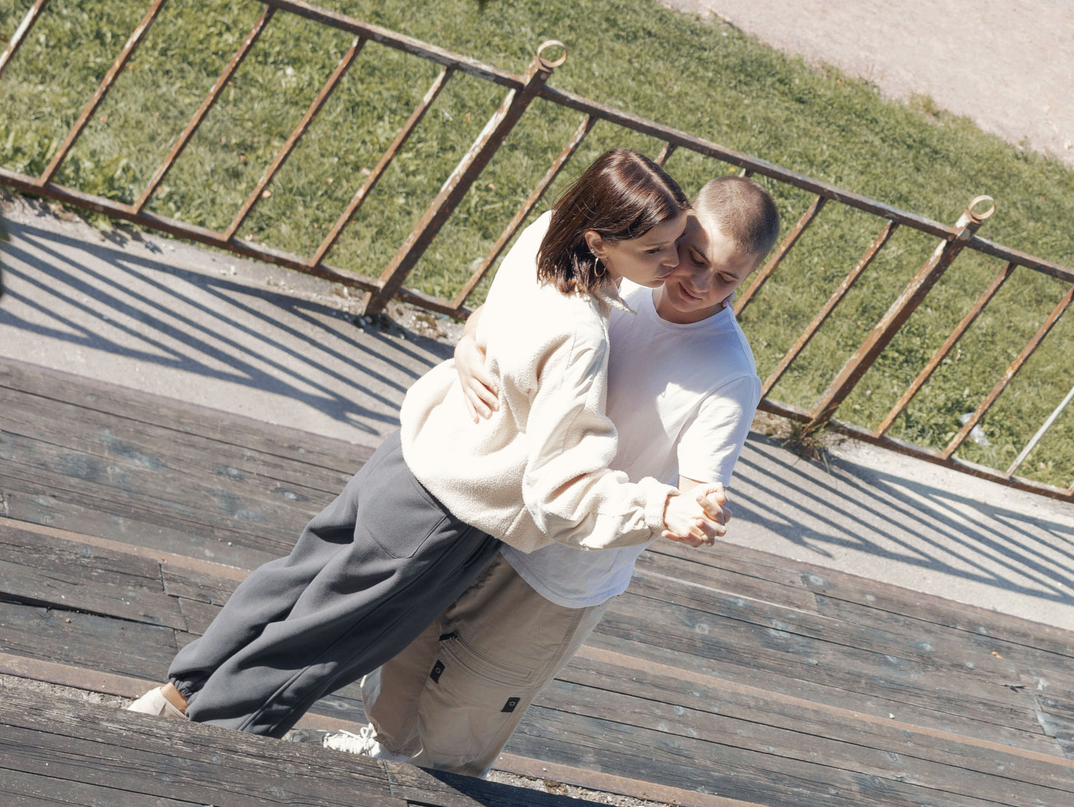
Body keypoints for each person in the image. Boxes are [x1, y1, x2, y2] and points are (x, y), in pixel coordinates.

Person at [125, 150, 727, 736]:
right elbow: (559, 490)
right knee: (322, 644)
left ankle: (175, 698)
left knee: (291, 585)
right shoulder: (580, 336)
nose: (675, 263)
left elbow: (487, 325)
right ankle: (202, 744)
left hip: (405, 460)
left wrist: (468, 345)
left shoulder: (546, 237)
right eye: (655, 249)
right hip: (442, 518)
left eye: (676, 243)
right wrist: (658, 507)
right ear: (598, 241)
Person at [349, 173, 782, 776]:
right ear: (678, 227)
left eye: (728, 277)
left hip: (560, 572)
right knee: (399, 664)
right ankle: (381, 758)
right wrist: (470, 342)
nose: (701, 284)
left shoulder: (729, 373)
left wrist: (694, 507)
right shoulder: (626, 275)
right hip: (491, 514)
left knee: (460, 722)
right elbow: (514, 318)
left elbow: (702, 485)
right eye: (694, 257)